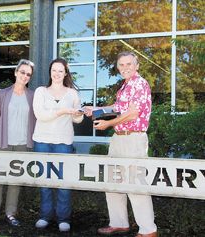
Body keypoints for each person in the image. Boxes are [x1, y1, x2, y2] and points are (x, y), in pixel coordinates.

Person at [85, 51, 157, 237]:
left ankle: (148, 230)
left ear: (137, 65)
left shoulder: (140, 84)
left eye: (128, 64)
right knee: (113, 180)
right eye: (121, 65)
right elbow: (118, 109)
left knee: (135, 183)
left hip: (133, 138)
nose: (125, 68)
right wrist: (97, 109)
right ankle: (119, 223)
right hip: (118, 138)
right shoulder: (125, 86)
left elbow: (133, 114)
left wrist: (108, 124)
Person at [32, 58, 84, 232]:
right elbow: (41, 115)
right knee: (44, 181)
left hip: (64, 142)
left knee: (64, 182)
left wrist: (77, 114)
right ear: (50, 72)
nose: (57, 73)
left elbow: (77, 119)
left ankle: (63, 218)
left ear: (65, 73)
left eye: (60, 71)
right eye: (54, 70)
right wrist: (63, 111)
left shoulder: (72, 93)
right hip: (42, 141)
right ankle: (45, 216)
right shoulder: (40, 91)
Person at [0, 59, 36, 228]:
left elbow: (34, 120)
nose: (25, 76)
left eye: (28, 74)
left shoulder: (32, 96)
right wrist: (2, 133)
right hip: (2, 143)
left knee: (15, 182)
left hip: (22, 145)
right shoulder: (3, 94)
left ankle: (10, 213)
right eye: (22, 72)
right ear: (16, 72)